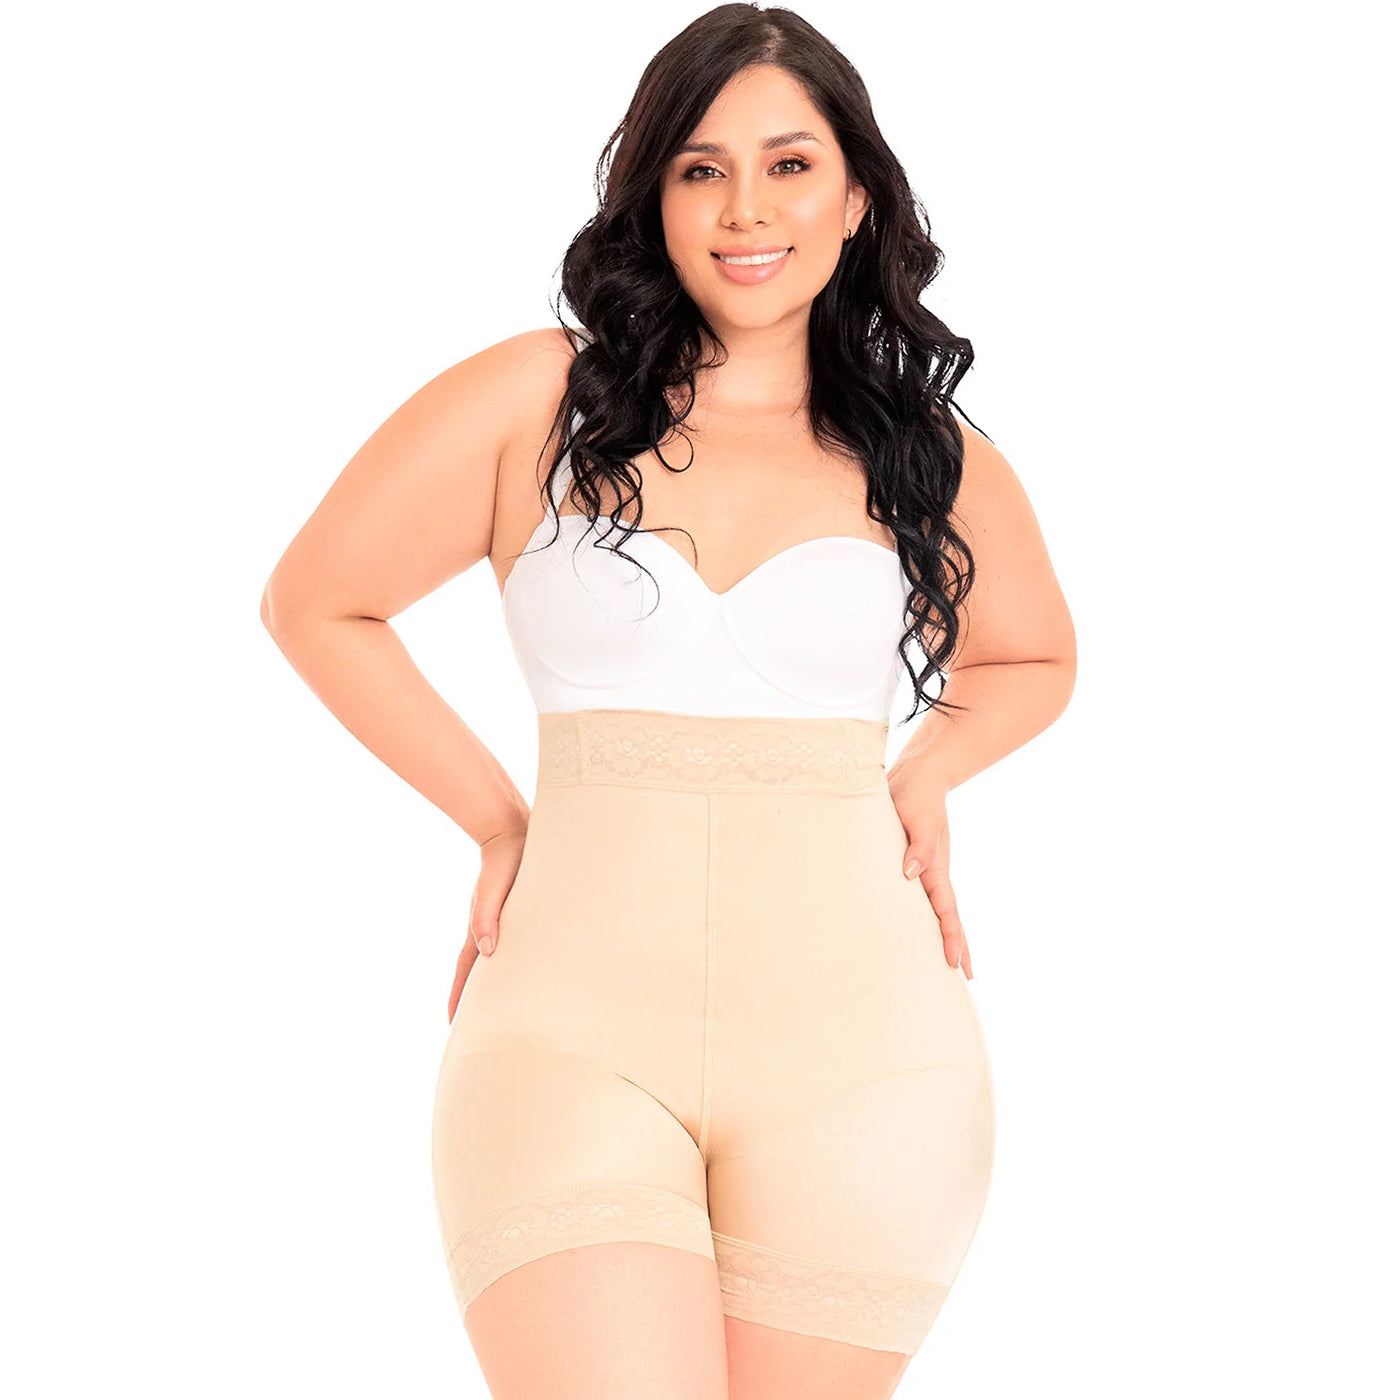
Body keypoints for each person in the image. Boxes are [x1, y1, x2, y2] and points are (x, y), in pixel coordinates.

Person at [261, 7, 1075, 1397]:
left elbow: (1031, 659)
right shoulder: (539, 401)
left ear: (856, 197)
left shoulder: (922, 450)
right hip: (565, 1042)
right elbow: (318, 601)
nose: (746, 209)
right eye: (702, 169)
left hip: (870, 1059)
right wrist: (498, 823)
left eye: (790, 165)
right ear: (654, 197)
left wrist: (925, 774)